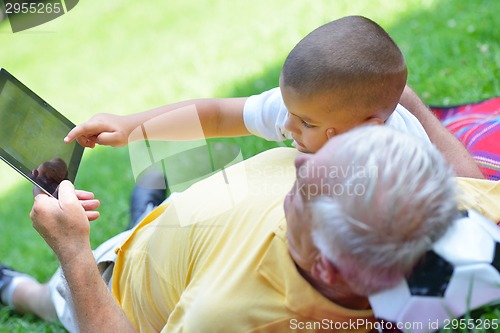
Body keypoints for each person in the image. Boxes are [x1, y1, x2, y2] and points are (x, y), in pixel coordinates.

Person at [1, 126, 499, 333]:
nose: (301, 165)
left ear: (324, 265)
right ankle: (150, 209)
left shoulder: (225, 315)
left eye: (301, 192)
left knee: (52, 297)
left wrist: (74, 250)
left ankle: (13, 288)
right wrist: (404, 100)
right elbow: (474, 185)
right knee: (162, 202)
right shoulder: (424, 199)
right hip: (191, 231)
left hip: (119, 280)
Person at [64, 15, 483, 179]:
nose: (287, 126)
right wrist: (131, 126)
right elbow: (214, 116)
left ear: (368, 130)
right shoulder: (309, 108)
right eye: (291, 113)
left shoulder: (399, 167)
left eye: (308, 124)